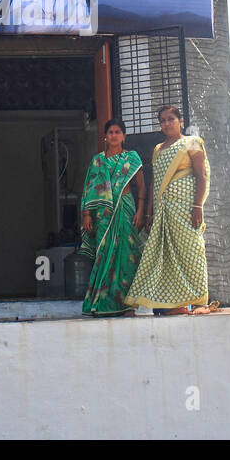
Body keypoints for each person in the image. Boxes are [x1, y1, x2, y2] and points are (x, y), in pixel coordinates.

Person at [125, 105, 211, 315]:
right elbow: (155, 182)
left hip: (185, 208)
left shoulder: (192, 143)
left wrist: (198, 206)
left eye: (170, 119)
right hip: (164, 210)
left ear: (180, 121)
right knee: (162, 256)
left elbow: (202, 176)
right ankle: (171, 304)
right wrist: (150, 213)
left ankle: (195, 302)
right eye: (162, 121)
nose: (166, 123)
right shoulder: (158, 149)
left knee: (190, 252)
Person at [78, 119, 146, 317]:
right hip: (103, 214)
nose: (114, 135)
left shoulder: (132, 158)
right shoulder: (98, 161)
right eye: (110, 132)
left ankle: (127, 305)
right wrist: (86, 215)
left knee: (127, 255)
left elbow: (141, 186)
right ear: (105, 136)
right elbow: (89, 189)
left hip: (126, 208)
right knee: (104, 255)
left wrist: (141, 211)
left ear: (124, 136)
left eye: (118, 132)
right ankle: (102, 304)